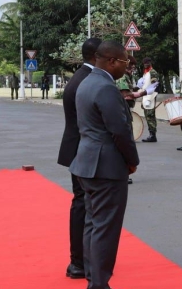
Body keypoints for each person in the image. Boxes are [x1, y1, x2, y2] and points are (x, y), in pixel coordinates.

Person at [70, 40, 139, 288]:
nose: (127, 66)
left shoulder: (86, 82)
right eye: (125, 62)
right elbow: (120, 131)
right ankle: (99, 284)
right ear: (111, 61)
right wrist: (132, 161)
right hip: (106, 168)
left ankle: (93, 279)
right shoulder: (106, 87)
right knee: (105, 230)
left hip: (85, 163)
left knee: (92, 225)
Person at [56, 37, 101, 280]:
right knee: (84, 205)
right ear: (96, 56)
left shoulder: (80, 76)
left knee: (84, 204)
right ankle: (78, 262)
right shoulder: (87, 80)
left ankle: (82, 260)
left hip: (78, 148)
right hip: (83, 151)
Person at [116, 55, 138, 185]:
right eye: (130, 67)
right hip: (123, 111)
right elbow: (124, 94)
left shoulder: (125, 76)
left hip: (125, 110)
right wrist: (140, 93)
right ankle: (125, 173)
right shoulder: (123, 77)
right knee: (125, 142)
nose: (131, 70)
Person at [138, 57, 159, 143]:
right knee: (147, 116)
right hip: (145, 96)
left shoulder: (152, 72)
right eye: (144, 63)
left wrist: (150, 97)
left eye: (147, 62)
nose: (145, 64)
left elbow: (155, 85)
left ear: (150, 62)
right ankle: (151, 134)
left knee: (150, 116)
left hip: (150, 96)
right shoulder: (146, 72)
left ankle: (153, 135)